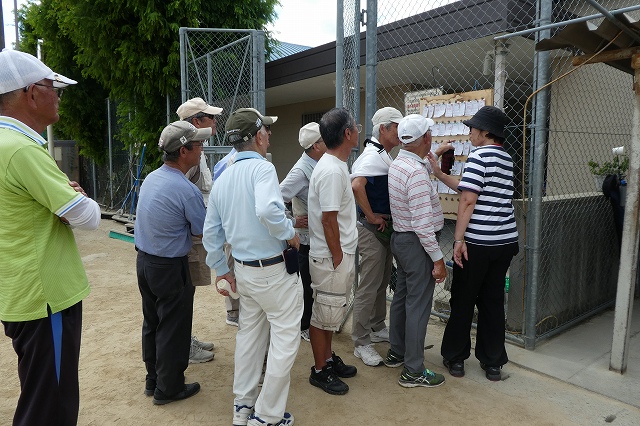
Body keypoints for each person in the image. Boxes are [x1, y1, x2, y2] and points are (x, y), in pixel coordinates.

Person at [0, 49, 101, 425]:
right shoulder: (22, 149)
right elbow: (88, 217)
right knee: (51, 407)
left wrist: (65, 201)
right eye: (53, 88)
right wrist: (78, 199)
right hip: (47, 299)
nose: (58, 96)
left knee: (41, 393)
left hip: (21, 292)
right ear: (30, 93)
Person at [203, 108, 300, 426]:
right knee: (285, 339)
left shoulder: (223, 175)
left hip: (244, 270)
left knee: (249, 338)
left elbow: (211, 234)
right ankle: (267, 416)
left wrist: (221, 268)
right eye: (266, 131)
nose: (269, 135)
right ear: (258, 135)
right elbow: (269, 211)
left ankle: (243, 407)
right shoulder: (262, 168)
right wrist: (290, 232)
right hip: (273, 270)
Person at [432, 106, 519, 381]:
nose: (470, 132)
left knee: (464, 298)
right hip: (505, 241)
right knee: (492, 300)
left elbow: (468, 199)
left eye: (472, 128)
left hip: (478, 242)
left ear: (485, 132)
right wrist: (440, 174)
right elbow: (468, 187)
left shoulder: (479, 156)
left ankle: (455, 358)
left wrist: (458, 239)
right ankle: (493, 363)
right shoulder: (506, 158)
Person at [135, 121, 210, 405]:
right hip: (169, 266)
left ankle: (153, 380)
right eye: (198, 145)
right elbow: (201, 229)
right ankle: (169, 388)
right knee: (173, 328)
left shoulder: (152, 178)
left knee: (153, 322)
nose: (202, 150)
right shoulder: (185, 188)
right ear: (183, 151)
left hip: (145, 262)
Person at [384, 114, 447, 388]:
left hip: (401, 239)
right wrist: (438, 259)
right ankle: (413, 370)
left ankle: (397, 352)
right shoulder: (417, 173)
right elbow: (423, 226)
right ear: (425, 138)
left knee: (403, 298)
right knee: (418, 306)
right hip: (416, 243)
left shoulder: (399, 162)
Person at [307, 108, 359, 395]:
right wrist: (338, 255)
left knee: (330, 312)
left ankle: (327, 359)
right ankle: (319, 370)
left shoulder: (336, 165)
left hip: (335, 254)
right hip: (330, 256)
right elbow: (328, 219)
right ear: (347, 134)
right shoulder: (330, 170)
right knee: (323, 313)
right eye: (355, 127)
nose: (358, 130)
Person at [350, 107, 402, 367]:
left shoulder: (380, 153)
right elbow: (357, 185)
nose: (401, 132)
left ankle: (377, 326)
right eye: (397, 127)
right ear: (384, 128)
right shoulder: (372, 155)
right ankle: (361, 341)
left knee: (381, 280)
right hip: (372, 229)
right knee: (369, 285)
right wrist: (370, 216)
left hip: (381, 228)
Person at [177, 97, 223, 363]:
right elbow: (180, 195)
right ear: (196, 121)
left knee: (190, 288)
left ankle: (186, 339)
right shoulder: (187, 153)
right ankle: (183, 345)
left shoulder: (198, 150)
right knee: (184, 290)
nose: (215, 121)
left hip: (196, 234)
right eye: (210, 117)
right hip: (190, 236)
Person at [279, 122, 327, 343]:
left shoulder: (318, 163)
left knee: (312, 285)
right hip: (306, 241)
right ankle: (304, 326)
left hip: (318, 238)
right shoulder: (301, 170)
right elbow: (277, 198)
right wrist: (292, 221)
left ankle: (310, 323)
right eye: (325, 139)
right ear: (316, 145)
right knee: (306, 286)